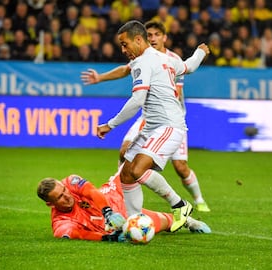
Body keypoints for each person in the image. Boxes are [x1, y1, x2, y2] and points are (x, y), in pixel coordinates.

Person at [81, 21, 210, 212]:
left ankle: (180, 205)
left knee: (139, 170)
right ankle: (134, 219)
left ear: (139, 40)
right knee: (126, 173)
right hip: (152, 126)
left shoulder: (143, 62)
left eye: (125, 44)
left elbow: (138, 99)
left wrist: (110, 124)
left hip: (168, 125)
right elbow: (188, 66)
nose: (123, 50)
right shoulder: (162, 59)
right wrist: (200, 52)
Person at [37, 167, 211, 241]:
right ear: (50, 204)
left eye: (64, 190)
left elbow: (91, 191)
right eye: (59, 197)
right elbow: (80, 234)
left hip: (113, 195)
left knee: (132, 163)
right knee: (163, 223)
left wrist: (107, 211)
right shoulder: (61, 224)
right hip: (120, 222)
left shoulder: (71, 181)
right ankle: (187, 221)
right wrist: (109, 238)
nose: (66, 196)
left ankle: (179, 205)